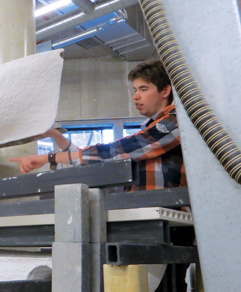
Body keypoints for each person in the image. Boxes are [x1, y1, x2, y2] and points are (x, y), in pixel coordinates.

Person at [11, 59, 187, 192]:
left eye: (143, 89)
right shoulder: (150, 129)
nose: (135, 96)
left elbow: (111, 152)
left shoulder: (174, 123)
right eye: (135, 90)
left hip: (171, 222)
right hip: (152, 217)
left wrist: (49, 158)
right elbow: (92, 159)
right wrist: (54, 135)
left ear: (165, 91)